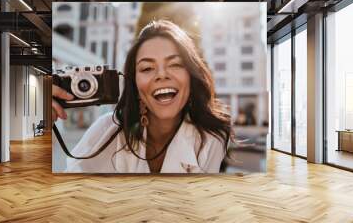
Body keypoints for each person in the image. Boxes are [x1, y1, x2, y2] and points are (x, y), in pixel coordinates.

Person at [52, 20, 233, 173]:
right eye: (147, 68)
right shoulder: (107, 130)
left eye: (175, 64)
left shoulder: (211, 140)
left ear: (191, 76)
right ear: (135, 84)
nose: (162, 75)